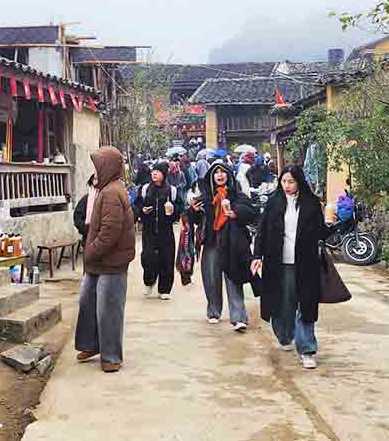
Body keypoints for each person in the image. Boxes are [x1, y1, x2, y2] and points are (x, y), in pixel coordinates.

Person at [251, 165, 337, 369]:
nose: (287, 185)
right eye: (284, 181)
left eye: (291, 182)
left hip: (305, 262)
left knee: (305, 305)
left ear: (299, 182)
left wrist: (330, 224)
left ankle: (307, 349)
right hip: (278, 263)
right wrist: (257, 256)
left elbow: (319, 233)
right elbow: (262, 231)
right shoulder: (274, 202)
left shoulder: (311, 203)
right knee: (283, 304)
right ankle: (284, 334)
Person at [76, 147, 137, 373]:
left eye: (99, 167)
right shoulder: (106, 188)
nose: (96, 172)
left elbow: (110, 232)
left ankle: (111, 356)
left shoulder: (111, 192)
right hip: (98, 262)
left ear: (108, 167)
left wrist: (90, 251)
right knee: (88, 303)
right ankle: (91, 345)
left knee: (109, 310)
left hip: (111, 262)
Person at [187, 161, 257, 330]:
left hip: (232, 243)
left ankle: (239, 317)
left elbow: (250, 212)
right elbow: (195, 220)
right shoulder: (205, 197)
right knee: (211, 279)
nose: (220, 175)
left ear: (229, 175)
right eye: (216, 172)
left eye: (223, 172)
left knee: (234, 279)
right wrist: (194, 211)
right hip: (211, 243)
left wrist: (235, 212)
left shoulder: (237, 194)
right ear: (212, 177)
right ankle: (213, 312)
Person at [133, 161, 182, 299]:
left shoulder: (172, 190)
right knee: (148, 257)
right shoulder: (145, 189)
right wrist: (142, 210)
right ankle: (149, 282)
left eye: (158, 171)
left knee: (166, 259)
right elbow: (137, 205)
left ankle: (164, 290)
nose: (154, 173)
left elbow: (180, 207)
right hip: (149, 231)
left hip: (166, 231)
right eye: (153, 171)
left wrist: (173, 210)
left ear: (164, 174)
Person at [72, 174, 97, 249]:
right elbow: (77, 218)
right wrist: (87, 229)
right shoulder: (85, 200)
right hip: (89, 241)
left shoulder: (107, 199)